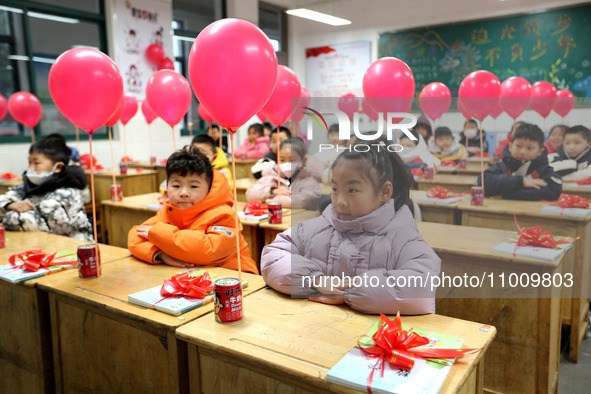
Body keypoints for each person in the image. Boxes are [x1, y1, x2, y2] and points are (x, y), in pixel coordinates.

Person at [260, 144, 440, 315]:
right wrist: (315, 279)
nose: (340, 201)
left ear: (385, 192)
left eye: (352, 190)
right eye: (335, 189)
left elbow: (421, 285)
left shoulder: (403, 238)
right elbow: (272, 255)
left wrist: (348, 292)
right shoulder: (320, 227)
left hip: (372, 341)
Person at [127, 147, 258, 274]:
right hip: (192, 279)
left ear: (209, 188)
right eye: (176, 185)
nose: (184, 193)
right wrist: (159, 254)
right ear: (167, 188)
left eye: (193, 186)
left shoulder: (224, 214)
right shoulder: (169, 210)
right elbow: (135, 236)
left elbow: (208, 251)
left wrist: (157, 233)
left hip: (235, 279)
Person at [0, 135, 93, 241]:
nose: (30, 169)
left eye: (36, 163)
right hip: (42, 247)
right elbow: (4, 199)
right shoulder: (30, 186)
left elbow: (25, 222)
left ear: (58, 167)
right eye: (29, 162)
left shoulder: (68, 193)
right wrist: (9, 205)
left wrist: (7, 212)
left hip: (73, 251)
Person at [478, 123, 562, 200]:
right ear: (510, 146)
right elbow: (483, 182)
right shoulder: (503, 166)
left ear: (540, 152)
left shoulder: (544, 170)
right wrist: (521, 182)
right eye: (518, 146)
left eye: (529, 148)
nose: (522, 152)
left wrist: (505, 196)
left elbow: (553, 192)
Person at [246, 138, 321, 210]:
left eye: (292, 160)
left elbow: (304, 201)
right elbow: (250, 195)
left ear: (303, 160)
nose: (287, 164)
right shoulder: (271, 175)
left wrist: (269, 200)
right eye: (282, 160)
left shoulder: (308, 179)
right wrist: (272, 191)